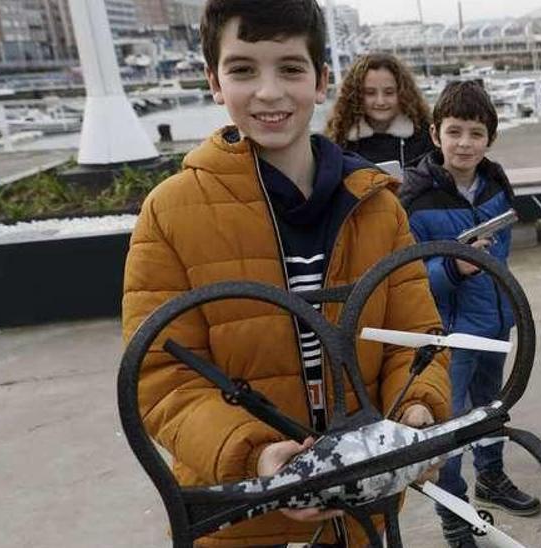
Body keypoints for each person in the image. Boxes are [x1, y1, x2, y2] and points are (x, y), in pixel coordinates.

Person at [121, 1, 451, 544]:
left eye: (290, 68)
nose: (269, 92)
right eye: (243, 69)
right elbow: (159, 377)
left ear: (322, 81)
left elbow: (416, 339)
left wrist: (415, 411)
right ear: (214, 81)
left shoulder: (376, 204)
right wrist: (256, 455)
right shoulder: (169, 212)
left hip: (364, 507)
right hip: (241, 518)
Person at [398, 81, 539, 548]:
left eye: (475, 133)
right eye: (454, 132)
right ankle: (454, 515)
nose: (464, 143)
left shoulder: (496, 184)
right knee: (448, 429)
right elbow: (407, 279)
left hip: (496, 325)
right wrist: (454, 268)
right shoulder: (415, 199)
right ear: (434, 134)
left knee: (491, 410)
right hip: (448, 338)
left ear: (489, 138)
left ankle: (492, 477)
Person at [325, 52, 435, 168]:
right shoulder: (339, 139)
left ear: (403, 94)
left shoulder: (427, 136)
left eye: (389, 92)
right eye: (370, 93)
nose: (380, 101)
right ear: (356, 95)